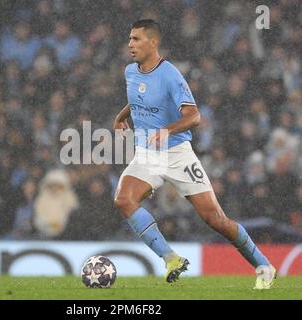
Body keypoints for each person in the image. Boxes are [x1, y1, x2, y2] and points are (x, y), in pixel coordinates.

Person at [113, 19, 276, 289]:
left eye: (137, 39)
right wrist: (120, 117)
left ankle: (263, 265)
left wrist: (167, 129)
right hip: (146, 155)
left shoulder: (171, 75)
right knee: (123, 199)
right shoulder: (130, 71)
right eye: (129, 39)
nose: (130, 44)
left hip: (177, 154)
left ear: (153, 42)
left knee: (216, 220)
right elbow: (137, 98)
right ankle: (171, 258)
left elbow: (194, 116)